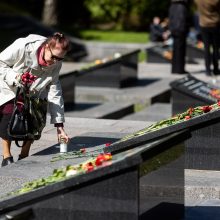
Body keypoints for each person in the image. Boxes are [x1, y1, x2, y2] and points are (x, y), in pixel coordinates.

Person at [0, 32, 70, 166]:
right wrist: (17, 77)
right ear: (46, 47)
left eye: (60, 59)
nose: (55, 62)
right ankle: (6, 155)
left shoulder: (56, 64)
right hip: (9, 87)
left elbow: (55, 92)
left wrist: (59, 125)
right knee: (9, 116)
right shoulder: (23, 46)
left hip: (35, 91)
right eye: (54, 57)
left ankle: (24, 154)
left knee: (35, 119)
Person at [194, 0, 220, 76]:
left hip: (204, 25)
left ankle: (208, 70)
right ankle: (216, 69)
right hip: (215, 24)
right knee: (215, 48)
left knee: (207, 48)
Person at [169, 0, 191, 74]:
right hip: (180, 30)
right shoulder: (182, 6)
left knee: (175, 50)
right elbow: (183, 20)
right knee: (180, 51)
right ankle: (180, 69)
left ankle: (174, 69)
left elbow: (170, 19)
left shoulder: (172, 5)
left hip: (174, 29)